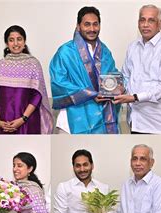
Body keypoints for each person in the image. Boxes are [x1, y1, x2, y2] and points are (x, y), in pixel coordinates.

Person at [50, 6, 120, 134]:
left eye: (95, 24)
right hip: (71, 120)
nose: (92, 29)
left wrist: (119, 86)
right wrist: (90, 94)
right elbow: (58, 82)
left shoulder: (104, 51)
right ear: (78, 26)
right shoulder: (65, 51)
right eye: (87, 24)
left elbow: (113, 74)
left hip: (101, 118)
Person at [114, 5, 161, 134]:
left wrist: (135, 97)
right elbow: (126, 76)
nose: (145, 24)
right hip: (134, 120)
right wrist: (116, 89)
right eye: (142, 20)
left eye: (151, 20)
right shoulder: (132, 47)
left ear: (160, 24)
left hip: (157, 123)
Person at [0, 25, 53, 134]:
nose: (16, 43)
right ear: (7, 43)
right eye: (11, 40)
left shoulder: (33, 64)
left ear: (24, 41)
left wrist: (23, 119)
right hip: (2, 123)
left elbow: (37, 95)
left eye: (19, 39)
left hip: (27, 122)